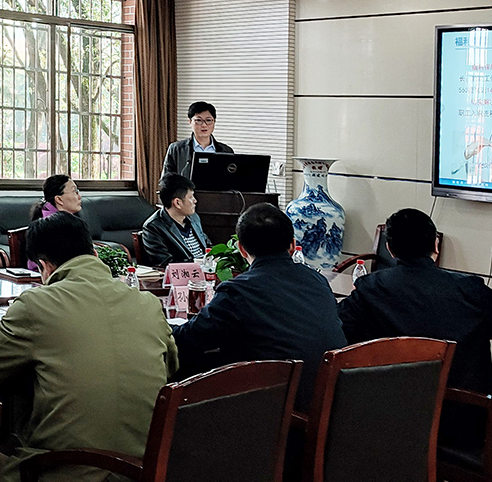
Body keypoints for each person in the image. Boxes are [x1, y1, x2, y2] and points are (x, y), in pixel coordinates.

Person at [0, 212, 178, 482]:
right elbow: (171, 366)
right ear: (94, 252)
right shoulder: (147, 302)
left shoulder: (37, 304)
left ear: (44, 266)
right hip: (143, 478)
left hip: (67, 479)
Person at [337, 208, 492, 482]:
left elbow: (337, 335)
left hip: (396, 424)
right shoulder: (469, 288)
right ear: (436, 245)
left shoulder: (371, 290)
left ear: (389, 248)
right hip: (468, 421)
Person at [170, 203, 346, 405]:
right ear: (292, 245)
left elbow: (188, 339)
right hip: (332, 403)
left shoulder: (238, 292)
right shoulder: (317, 281)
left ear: (241, 249)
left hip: (275, 409)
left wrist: (162, 328)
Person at [138, 173, 210, 268]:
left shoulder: (194, 218)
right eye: (191, 197)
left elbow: (208, 246)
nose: (195, 201)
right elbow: (165, 263)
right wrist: (198, 264)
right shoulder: (153, 227)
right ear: (177, 203)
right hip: (184, 274)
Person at [162, 101, 233, 180]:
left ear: (214, 122)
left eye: (208, 120)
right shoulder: (176, 149)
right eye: (199, 120)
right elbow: (166, 181)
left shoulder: (226, 151)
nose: (204, 125)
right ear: (190, 122)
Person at [26, 174, 83, 270]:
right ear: (59, 199)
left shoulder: (68, 220)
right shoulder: (50, 225)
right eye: (75, 192)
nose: (79, 197)